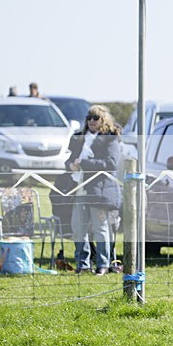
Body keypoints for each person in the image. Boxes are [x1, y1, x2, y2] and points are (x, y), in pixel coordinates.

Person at [65, 105, 122, 274]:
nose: (91, 121)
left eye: (95, 118)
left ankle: (103, 264)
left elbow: (111, 163)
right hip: (79, 188)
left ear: (103, 120)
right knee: (78, 227)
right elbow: (68, 160)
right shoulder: (80, 138)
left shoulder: (110, 139)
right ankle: (82, 264)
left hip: (99, 190)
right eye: (89, 117)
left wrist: (84, 163)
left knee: (100, 228)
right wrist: (71, 165)